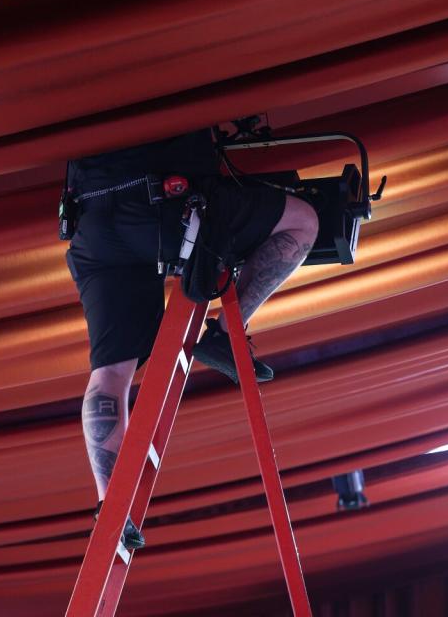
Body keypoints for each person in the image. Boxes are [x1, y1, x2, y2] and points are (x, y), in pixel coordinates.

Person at [64, 128, 319, 549]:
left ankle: (109, 505)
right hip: (165, 206)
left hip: (94, 225)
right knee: (304, 221)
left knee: (108, 373)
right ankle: (221, 333)